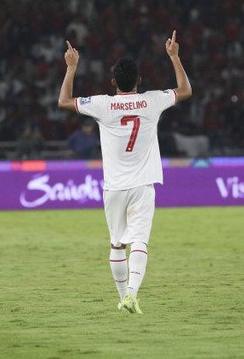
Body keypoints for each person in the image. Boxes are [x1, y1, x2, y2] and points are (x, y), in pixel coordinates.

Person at [57, 31, 192, 313]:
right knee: (139, 241)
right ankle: (131, 294)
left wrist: (71, 67)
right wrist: (175, 57)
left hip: (114, 187)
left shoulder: (103, 104)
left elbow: (64, 101)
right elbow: (185, 90)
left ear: (113, 82)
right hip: (143, 185)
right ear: (139, 81)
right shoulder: (152, 100)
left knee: (117, 244)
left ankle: (123, 298)